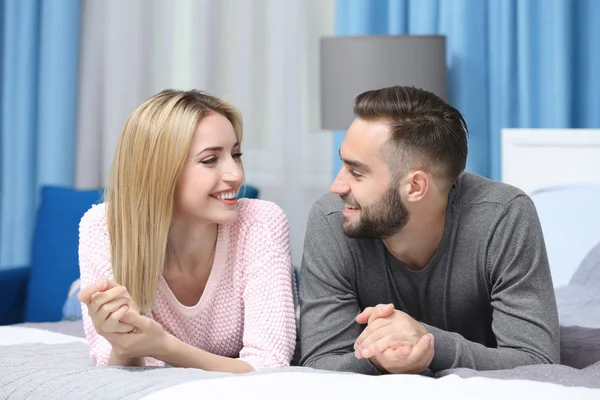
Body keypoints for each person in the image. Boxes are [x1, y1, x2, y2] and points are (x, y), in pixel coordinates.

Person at [297, 86, 559, 375]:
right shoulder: (332, 218)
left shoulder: (503, 216)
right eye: (342, 164)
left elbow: (537, 361)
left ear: (415, 186)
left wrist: (426, 341)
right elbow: (320, 363)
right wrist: (376, 359)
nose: (337, 186)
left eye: (356, 172)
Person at [77, 89, 297, 372]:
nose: (237, 174)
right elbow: (118, 364)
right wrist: (122, 342)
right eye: (210, 160)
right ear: (159, 170)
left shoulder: (261, 223)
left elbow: (270, 363)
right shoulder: (104, 227)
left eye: (236, 154)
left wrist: (163, 347)